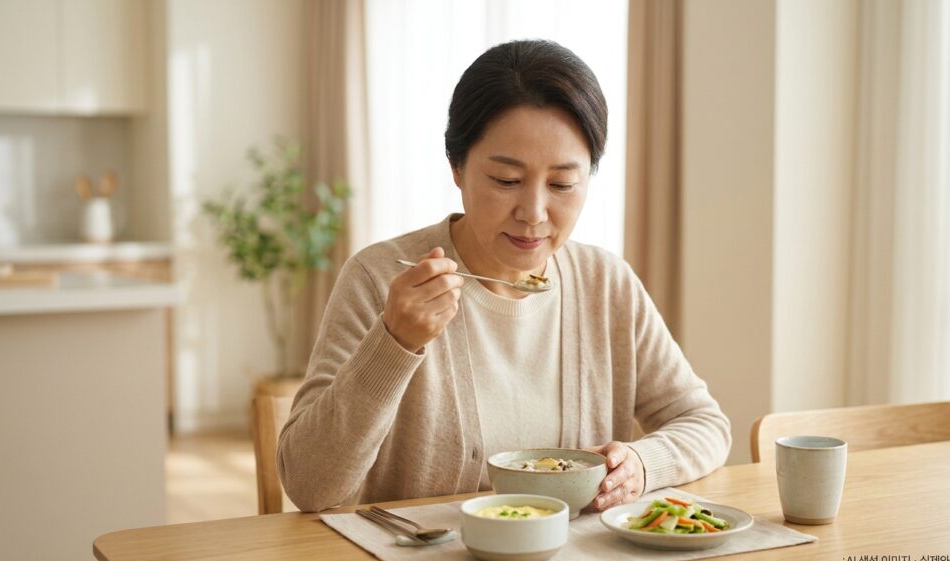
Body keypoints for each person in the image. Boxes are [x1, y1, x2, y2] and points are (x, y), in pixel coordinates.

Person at [278, 39, 731, 513]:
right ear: (457, 167)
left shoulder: (605, 283)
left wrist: (641, 463)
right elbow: (309, 485)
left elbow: (705, 424)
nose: (534, 213)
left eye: (562, 184)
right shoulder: (379, 278)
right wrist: (394, 342)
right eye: (506, 181)